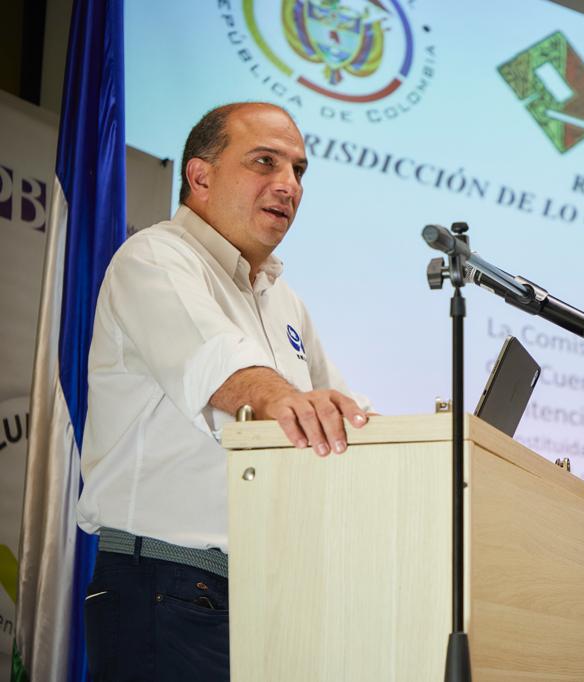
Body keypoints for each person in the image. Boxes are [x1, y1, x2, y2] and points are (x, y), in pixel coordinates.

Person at [77, 102, 369, 680]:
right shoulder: (155, 258)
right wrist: (283, 399)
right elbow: (224, 372)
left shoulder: (284, 301)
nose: (288, 185)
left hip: (266, 593)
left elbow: (338, 416)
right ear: (201, 176)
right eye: (266, 162)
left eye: (299, 172)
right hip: (165, 586)